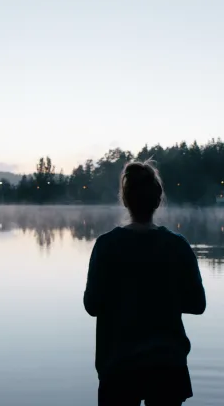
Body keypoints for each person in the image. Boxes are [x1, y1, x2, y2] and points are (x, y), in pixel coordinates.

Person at [84, 160, 206, 406]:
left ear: (126, 200)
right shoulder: (177, 246)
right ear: (158, 201)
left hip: (118, 364)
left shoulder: (107, 245)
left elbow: (92, 305)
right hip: (167, 364)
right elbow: (197, 304)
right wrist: (164, 299)